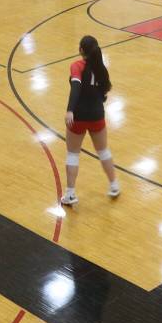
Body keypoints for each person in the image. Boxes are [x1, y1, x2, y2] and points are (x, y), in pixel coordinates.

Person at [60, 35, 120, 206]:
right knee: (103, 151)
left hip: (78, 116)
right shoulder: (101, 68)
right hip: (96, 115)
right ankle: (114, 185)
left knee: (73, 154)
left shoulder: (77, 66)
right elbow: (105, 90)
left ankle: (70, 194)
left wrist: (70, 110)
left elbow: (76, 87)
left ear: (81, 50)